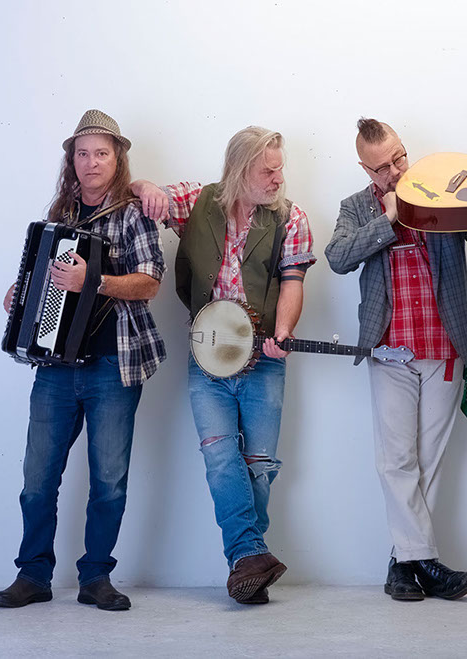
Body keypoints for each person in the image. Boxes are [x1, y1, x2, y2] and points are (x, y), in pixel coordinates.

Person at [324, 118, 467, 601]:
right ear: (366, 169)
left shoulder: (440, 198)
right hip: (388, 350)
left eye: (400, 157)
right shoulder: (356, 208)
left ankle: (403, 566)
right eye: (383, 167)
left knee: (426, 461)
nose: (396, 169)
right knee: (396, 461)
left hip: (445, 346)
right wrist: (387, 219)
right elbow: (338, 257)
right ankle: (424, 563)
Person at [0, 110, 166, 611]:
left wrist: (95, 280)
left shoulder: (132, 212)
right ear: (72, 159)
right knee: (37, 480)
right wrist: (19, 293)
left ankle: (96, 578)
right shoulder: (59, 215)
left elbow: (149, 281)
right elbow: (44, 280)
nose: (91, 163)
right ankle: (33, 575)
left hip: (114, 364)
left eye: (101, 153)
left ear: (118, 159)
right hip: (55, 369)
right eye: (82, 153)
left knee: (109, 482)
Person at [132, 126, 315, 604]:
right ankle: (250, 556)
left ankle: (245, 564)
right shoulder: (199, 200)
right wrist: (142, 187)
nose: (278, 178)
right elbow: (146, 193)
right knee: (219, 456)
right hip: (205, 356)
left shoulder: (292, 218)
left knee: (258, 465)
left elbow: (292, 282)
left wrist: (284, 330)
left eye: (280, 168)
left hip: (263, 357)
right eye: (267, 169)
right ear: (239, 169)